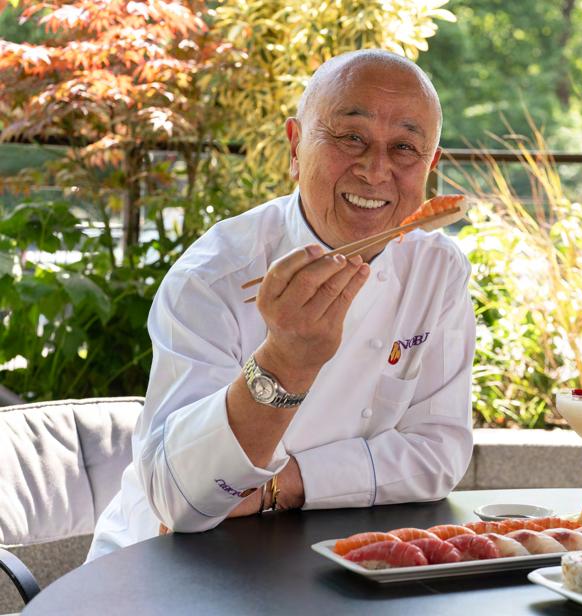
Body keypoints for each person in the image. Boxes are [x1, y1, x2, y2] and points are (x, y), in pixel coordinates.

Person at [87, 49, 476, 560]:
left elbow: (439, 453)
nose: (375, 169)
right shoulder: (215, 275)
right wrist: (286, 360)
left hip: (330, 555)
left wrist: (283, 485)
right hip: (163, 566)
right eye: (350, 137)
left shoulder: (437, 268)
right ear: (295, 147)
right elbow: (179, 500)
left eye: (404, 147)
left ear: (430, 165)